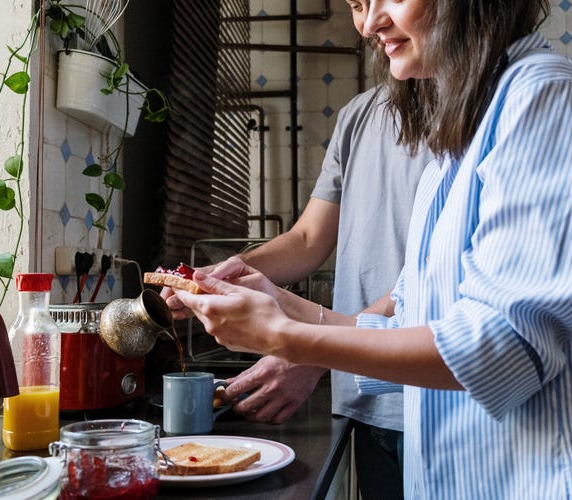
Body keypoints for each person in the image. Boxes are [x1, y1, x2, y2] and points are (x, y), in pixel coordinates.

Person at [175, 0, 572, 498]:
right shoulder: (457, 148)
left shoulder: (543, 101)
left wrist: (287, 338)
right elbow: (413, 317)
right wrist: (275, 300)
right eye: (358, 3)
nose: (367, 25)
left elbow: (504, 350)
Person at [162, 5, 434, 498]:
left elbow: (423, 281)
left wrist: (310, 351)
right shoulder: (358, 116)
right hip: (364, 396)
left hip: (430, 393)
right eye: (355, 4)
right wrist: (223, 273)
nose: (370, 21)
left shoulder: (476, 114)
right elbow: (309, 239)